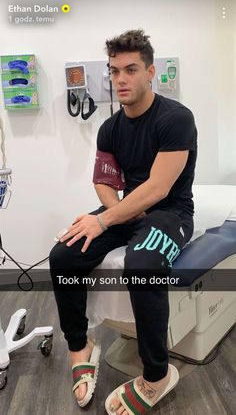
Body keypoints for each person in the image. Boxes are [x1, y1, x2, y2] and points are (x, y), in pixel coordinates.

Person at [49, 29, 197, 414]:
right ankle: (81, 346)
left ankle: (157, 374)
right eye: (115, 71)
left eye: (131, 69)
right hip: (130, 208)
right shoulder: (109, 127)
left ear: (150, 72)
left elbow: (160, 188)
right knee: (63, 254)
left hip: (171, 213)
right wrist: (109, 216)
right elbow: (103, 181)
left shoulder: (176, 119)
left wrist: (109, 219)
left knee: (142, 262)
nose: (121, 79)